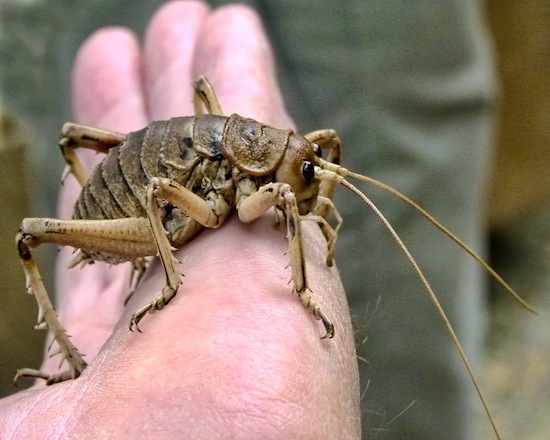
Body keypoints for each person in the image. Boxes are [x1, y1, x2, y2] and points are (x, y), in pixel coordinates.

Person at [0, 3, 361, 438]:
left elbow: (325, 147)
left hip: (172, 157)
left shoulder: (257, 165)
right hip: (139, 206)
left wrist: (319, 210)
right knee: (34, 235)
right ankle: (74, 364)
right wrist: (171, 284)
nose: (302, 184)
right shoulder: (265, 189)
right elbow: (161, 192)